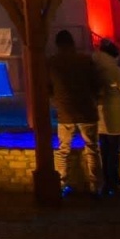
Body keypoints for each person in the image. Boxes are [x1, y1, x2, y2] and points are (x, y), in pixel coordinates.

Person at [46, 29, 101, 195]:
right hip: (87, 110)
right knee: (92, 148)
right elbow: (96, 84)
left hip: (65, 111)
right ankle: (95, 185)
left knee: (63, 149)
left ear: (57, 45)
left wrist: (55, 101)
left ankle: (62, 183)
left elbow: (48, 88)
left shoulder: (52, 63)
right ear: (73, 43)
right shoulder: (85, 60)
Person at [92, 38, 120, 196]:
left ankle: (106, 183)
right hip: (116, 114)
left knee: (105, 151)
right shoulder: (115, 70)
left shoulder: (94, 68)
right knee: (115, 151)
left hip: (99, 114)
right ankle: (116, 183)